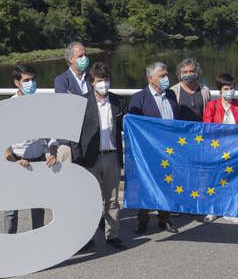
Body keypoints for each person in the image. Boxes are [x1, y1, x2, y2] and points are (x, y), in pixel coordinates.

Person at [74, 62, 127, 251]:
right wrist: (78, 160)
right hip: (90, 158)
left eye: (106, 79)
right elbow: (74, 135)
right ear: (92, 82)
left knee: (112, 199)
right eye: (99, 80)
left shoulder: (119, 102)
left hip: (112, 156)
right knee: (90, 200)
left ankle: (113, 235)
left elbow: (128, 128)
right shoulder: (82, 102)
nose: (103, 83)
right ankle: (87, 237)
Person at [4, 65, 60, 233]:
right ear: (17, 83)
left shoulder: (43, 105)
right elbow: (2, 142)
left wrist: (53, 153)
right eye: (26, 80)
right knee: (11, 209)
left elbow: (52, 136)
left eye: (33, 79)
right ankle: (10, 241)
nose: (31, 83)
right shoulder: (8, 107)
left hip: (40, 161)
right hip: (16, 162)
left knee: (38, 206)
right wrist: (13, 161)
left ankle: (37, 241)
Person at [128, 61, 180, 234]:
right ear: (151, 78)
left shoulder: (171, 94)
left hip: (169, 150)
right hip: (148, 152)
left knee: (167, 184)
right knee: (145, 185)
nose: (166, 78)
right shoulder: (139, 98)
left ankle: (164, 219)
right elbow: (136, 128)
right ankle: (143, 219)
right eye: (162, 76)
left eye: (166, 74)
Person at [202, 73, 238, 224]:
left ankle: (230, 210)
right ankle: (212, 210)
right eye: (226, 88)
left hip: (235, 149)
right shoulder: (212, 106)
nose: (229, 91)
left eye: (232, 88)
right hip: (216, 150)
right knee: (214, 179)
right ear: (220, 90)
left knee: (232, 179)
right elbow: (207, 128)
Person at [53, 41, 89, 163]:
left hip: (89, 135)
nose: (85, 58)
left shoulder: (91, 78)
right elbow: (65, 107)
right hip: (69, 137)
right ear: (70, 59)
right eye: (80, 56)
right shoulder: (61, 80)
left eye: (85, 55)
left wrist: (75, 99)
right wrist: (85, 102)